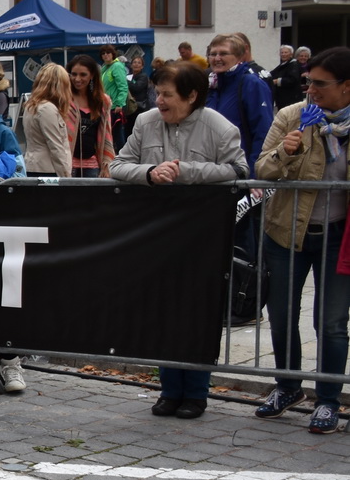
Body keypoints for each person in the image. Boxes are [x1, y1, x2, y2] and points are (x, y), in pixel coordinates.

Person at [111, 61, 248, 419]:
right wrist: (150, 173)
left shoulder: (220, 128)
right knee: (163, 312)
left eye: (167, 95)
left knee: (196, 313)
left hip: (203, 236)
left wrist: (188, 171)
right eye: (157, 93)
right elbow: (117, 166)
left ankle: (196, 394)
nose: (159, 101)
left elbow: (240, 172)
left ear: (192, 96)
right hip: (155, 234)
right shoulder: (145, 122)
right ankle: (169, 390)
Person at [254, 47, 350, 434]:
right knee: (281, 316)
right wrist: (284, 150)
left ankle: (328, 399)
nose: (310, 89)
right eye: (308, 81)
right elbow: (261, 167)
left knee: (330, 323)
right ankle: (287, 387)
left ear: (346, 88)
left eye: (320, 84)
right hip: (287, 232)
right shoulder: (292, 116)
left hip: (338, 237)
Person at [206, 33, 277, 175]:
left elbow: (263, 132)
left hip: (241, 170)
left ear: (239, 56)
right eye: (213, 54)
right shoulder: (211, 84)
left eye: (224, 53)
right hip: (213, 171)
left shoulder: (252, 84)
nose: (217, 58)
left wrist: (254, 174)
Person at [21, 63, 74, 178]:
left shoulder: (31, 105)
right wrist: (66, 177)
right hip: (49, 169)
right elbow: (55, 146)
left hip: (36, 165)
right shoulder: (47, 109)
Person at [67, 55, 116, 177]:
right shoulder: (64, 99)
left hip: (92, 164)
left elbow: (106, 134)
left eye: (83, 75)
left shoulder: (102, 101)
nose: (77, 79)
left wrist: (106, 164)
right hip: (67, 163)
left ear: (92, 75)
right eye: (74, 74)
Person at [270, 44, 306, 111]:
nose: (283, 54)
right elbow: (271, 74)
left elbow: (292, 79)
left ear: (291, 54)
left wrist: (276, 81)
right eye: (282, 52)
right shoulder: (283, 65)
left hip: (291, 99)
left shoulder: (293, 64)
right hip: (282, 99)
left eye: (286, 52)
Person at [99, 45, 130, 117]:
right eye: (103, 53)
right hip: (106, 106)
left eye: (108, 52)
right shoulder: (105, 68)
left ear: (113, 54)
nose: (105, 55)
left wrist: (119, 103)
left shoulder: (117, 66)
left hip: (115, 107)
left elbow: (123, 86)